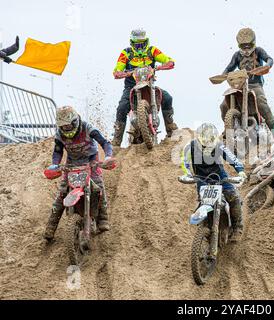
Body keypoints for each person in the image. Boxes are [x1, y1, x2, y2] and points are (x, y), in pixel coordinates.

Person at [44, 106, 115, 241]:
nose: (66, 129)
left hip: (91, 161)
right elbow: (58, 151)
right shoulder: (59, 134)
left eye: (68, 125)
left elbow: (105, 143)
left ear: (75, 122)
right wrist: (55, 164)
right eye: (63, 126)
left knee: (98, 185)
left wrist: (108, 157)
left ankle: (103, 218)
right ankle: (51, 226)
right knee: (62, 191)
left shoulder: (87, 128)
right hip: (72, 163)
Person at [180, 123, 247, 241]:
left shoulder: (219, 146)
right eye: (205, 139)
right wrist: (188, 174)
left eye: (211, 139)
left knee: (233, 196)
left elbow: (233, 159)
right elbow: (184, 162)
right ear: (200, 137)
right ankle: (205, 226)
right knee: (204, 202)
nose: (208, 142)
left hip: (220, 177)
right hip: (202, 179)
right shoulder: (190, 146)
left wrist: (240, 171)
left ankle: (237, 228)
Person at [112, 29, 178, 146]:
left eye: (142, 43)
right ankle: (116, 140)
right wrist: (121, 73)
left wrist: (166, 64)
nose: (140, 46)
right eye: (137, 44)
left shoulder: (152, 50)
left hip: (149, 84)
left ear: (146, 41)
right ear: (132, 43)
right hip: (131, 86)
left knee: (167, 98)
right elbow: (118, 69)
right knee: (122, 107)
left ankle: (171, 129)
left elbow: (167, 60)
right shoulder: (126, 53)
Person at [220, 28, 274, 137]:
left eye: (249, 46)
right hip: (240, 84)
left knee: (262, 103)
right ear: (239, 45)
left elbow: (269, 59)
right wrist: (223, 75)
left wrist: (267, 65)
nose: (246, 49)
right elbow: (229, 67)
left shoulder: (259, 51)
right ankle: (227, 128)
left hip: (255, 85)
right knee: (224, 105)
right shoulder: (237, 55)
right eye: (243, 46)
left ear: (253, 43)